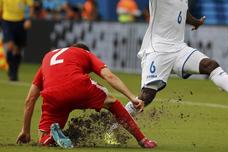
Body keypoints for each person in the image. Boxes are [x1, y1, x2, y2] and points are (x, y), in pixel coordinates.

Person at [16, 43, 157, 148]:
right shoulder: (85, 53)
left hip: (52, 95)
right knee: (112, 102)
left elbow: (30, 99)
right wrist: (132, 97)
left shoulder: (48, 57)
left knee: (43, 138)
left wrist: (25, 130)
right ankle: (143, 140)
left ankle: (50, 137)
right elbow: (109, 76)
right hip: (78, 86)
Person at [0, 0, 34, 81]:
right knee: (10, 46)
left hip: (20, 22)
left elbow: (31, 6)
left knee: (18, 49)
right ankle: (11, 69)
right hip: (7, 21)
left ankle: (15, 70)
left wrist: (29, 19)